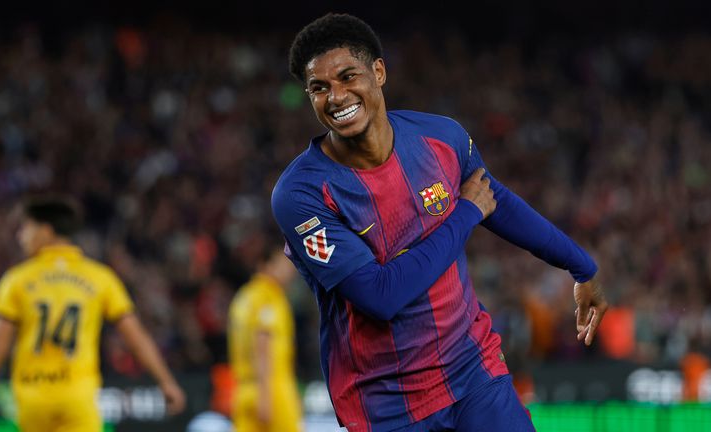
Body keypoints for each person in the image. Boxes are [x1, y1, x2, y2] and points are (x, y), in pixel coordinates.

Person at [271, 13, 608, 432]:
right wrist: (463, 214)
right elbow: (380, 296)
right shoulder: (301, 195)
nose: (336, 97)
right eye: (319, 88)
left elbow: (496, 202)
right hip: (386, 402)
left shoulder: (441, 138)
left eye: (347, 77)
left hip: (472, 371)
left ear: (378, 71)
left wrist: (581, 266)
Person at [0, 196, 186, 432]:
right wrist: (165, 382)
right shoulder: (100, 277)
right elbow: (136, 337)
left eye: (26, 228)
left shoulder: (17, 280)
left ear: (45, 230)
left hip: (34, 399)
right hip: (78, 397)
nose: (21, 236)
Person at [227, 241, 303, 432]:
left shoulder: (243, 296)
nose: (290, 270)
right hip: (271, 389)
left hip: (244, 390)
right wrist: (265, 395)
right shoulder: (269, 296)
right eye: (283, 263)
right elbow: (262, 342)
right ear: (265, 265)